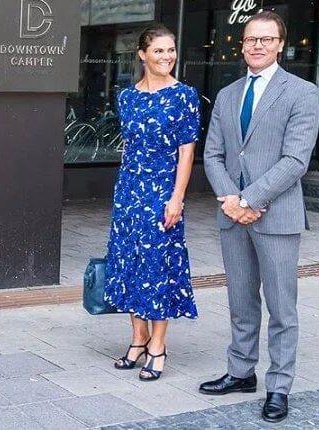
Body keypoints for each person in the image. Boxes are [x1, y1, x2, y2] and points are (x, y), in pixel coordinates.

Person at [201, 11, 319, 423]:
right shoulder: (228, 94)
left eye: (266, 39)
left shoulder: (302, 92)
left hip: (277, 216)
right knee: (240, 300)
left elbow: (295, 160)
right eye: (251, 38)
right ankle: (240, 372)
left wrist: (250, 198)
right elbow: (213, 155)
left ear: (280, 44)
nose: (256, 45)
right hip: (232, 215)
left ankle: (279, 386)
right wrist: (231, 200)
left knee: (282, 307)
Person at [105, 24, 200, 381]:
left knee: (158, 268)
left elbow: (187, 153)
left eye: (171, 50)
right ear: (142, 55)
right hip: (129, 191)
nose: (167, 57)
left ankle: (157, 346)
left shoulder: (184, 95)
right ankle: (137, 338)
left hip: (163, 192)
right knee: (130, 263)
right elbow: (128, 146)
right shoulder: (127, 97)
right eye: (158, 51)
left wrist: (177, 197)